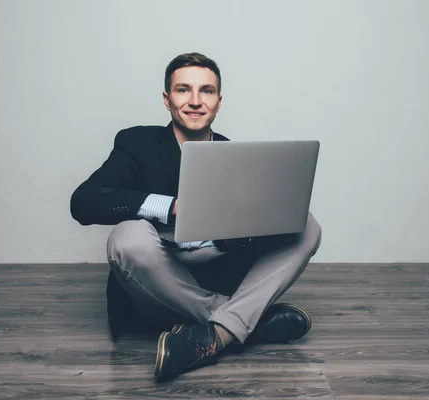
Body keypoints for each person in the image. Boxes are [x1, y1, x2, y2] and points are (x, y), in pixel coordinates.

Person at [70, 52, 322, 382]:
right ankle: (244, 321)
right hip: (157, 282)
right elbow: (84, 202)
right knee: (127, 237)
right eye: (183, 89)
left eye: (206, 91)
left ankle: (215, 335)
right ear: (167, 99)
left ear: (218, 102)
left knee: (306, 223)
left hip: (215, 267)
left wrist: (250, 225)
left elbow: (245, 232)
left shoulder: (234, 154)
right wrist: (172, 206)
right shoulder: (137, 142)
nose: (194, 101)